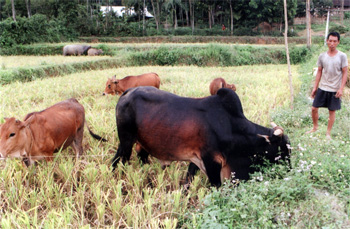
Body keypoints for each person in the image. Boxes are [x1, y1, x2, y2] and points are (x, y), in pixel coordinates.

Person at [306, 31, 348, 140]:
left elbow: (345, 72)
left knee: (331, 111)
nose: (332, 43)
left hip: (334, 89)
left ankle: (328, 133)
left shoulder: (342, 56)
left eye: (335, 41)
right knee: (314, 108)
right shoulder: (322, 56)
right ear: (327, 41)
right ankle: (315, 127)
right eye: (330, 41)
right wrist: (315, 87)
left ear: (338, 42)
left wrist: (341, 88)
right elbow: (319, 71)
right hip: (322, 87)